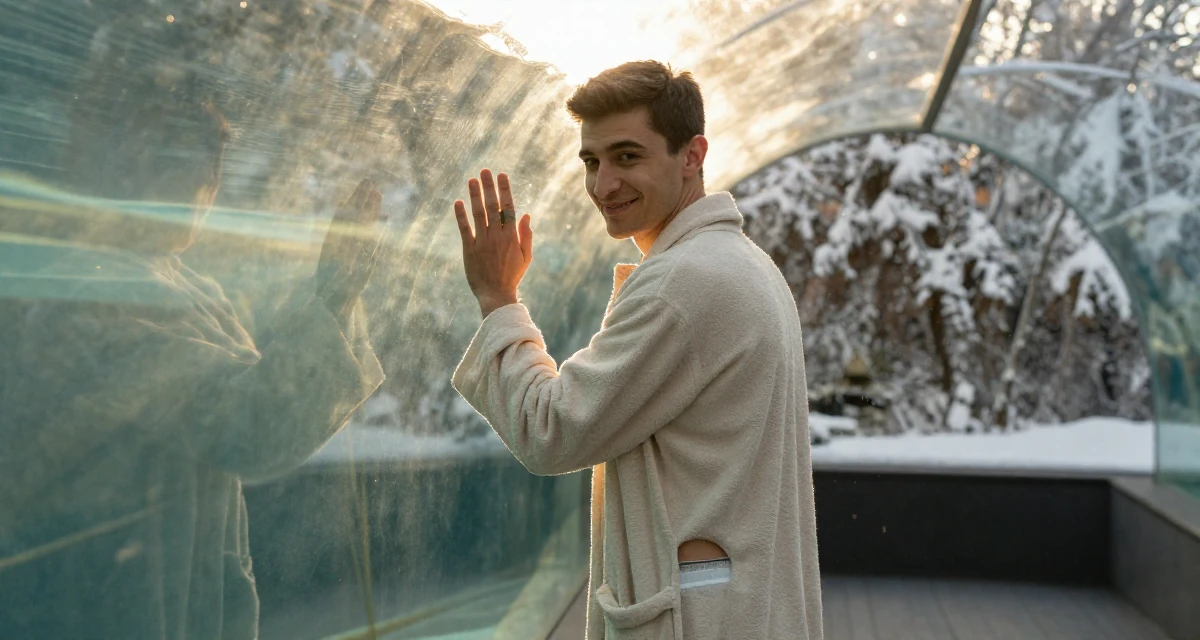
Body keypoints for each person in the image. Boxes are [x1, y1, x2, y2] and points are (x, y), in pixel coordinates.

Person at [450, 61, 822, 639]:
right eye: (592, 161)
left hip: (700, 621)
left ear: (692, 156)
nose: (603, 186)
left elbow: (550, 430)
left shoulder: (685, 282)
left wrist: (498, 298)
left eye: (627, 157)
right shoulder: (745, 263)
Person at [0, 91, 387, 638]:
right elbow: (248, 426)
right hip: (117, 600)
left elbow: (243, 394)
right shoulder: (96, 295)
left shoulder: (172, 281)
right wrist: (332, 297)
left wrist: (334, 299)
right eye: (202, 167)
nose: (211, 186)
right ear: (138, 170)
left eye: (215, 168)